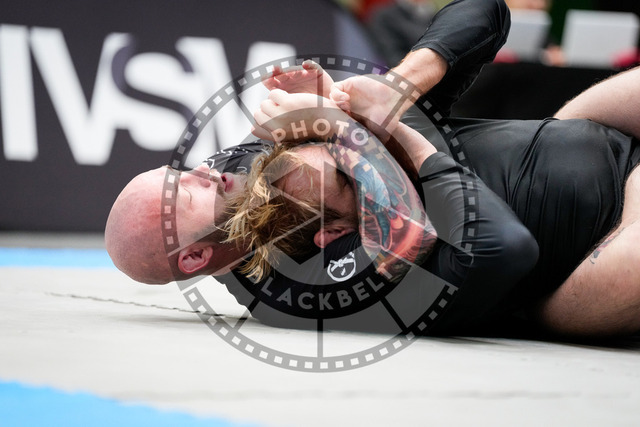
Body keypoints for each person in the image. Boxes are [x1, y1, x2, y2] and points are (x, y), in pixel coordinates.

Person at [106, 0, 640, 336]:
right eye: (188, 191)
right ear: (195, 256)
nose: (207, 170)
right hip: (600, 239)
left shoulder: (240, 173)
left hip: (582, 135)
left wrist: (395, 90)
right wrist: (359, 128)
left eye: (186, 169)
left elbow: (487, 12)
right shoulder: (300, 290)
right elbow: (502, 248)